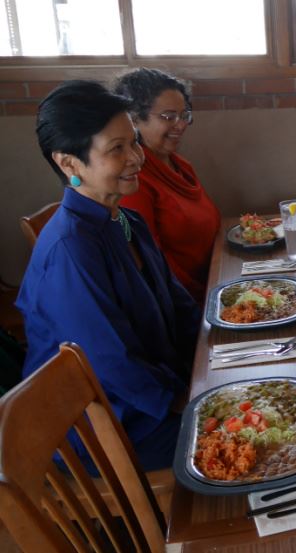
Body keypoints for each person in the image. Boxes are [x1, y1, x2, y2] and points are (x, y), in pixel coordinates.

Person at [18, 80, 200, 472]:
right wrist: (189, 399)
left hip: (155, 397)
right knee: (252, 440)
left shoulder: (125, 219)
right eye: (117, 149)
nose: (137, 157)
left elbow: (177, 303)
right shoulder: (70, 250)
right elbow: (110, 364)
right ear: (69, 163)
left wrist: (211, 357)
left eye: (133, 141)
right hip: (113, 428)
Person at [113, 68, 220, 302]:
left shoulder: (180, 165)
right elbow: (154, 267)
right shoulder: (135, 183)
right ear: (134, 120)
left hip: (215, 277)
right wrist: (210, 296)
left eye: (184, 115)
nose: (181, 125)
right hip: (189, 301)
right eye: (169, 116)